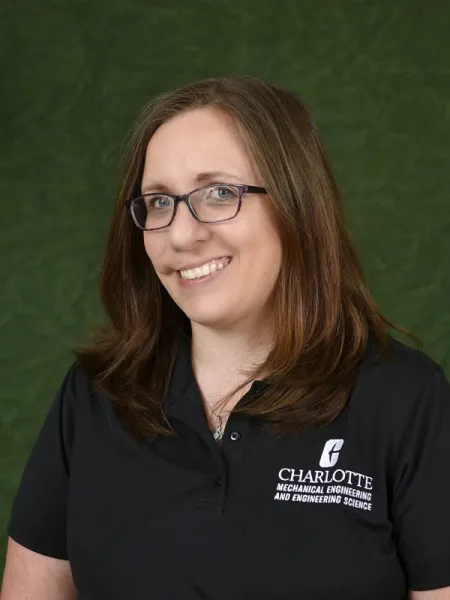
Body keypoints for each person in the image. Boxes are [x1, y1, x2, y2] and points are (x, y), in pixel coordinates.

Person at [1, 76, 449, 600]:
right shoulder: (96, 394)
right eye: (159, 202)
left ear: (295, 206)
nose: (182, 234)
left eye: (219, 193)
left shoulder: (405, 398)